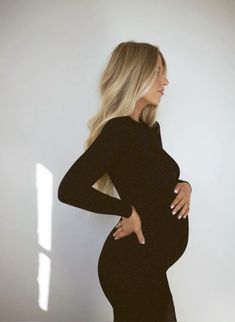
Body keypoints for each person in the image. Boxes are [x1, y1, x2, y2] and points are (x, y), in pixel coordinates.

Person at [58, 41, 192, 322]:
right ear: (135, 73)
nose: (165, 81)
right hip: (130, 265)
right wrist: (127, 211)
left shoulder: (149, 130)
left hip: (150, 265)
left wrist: (184, 185)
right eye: (157, 72)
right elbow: (69, 189)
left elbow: (150, 180)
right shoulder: (117, 130)